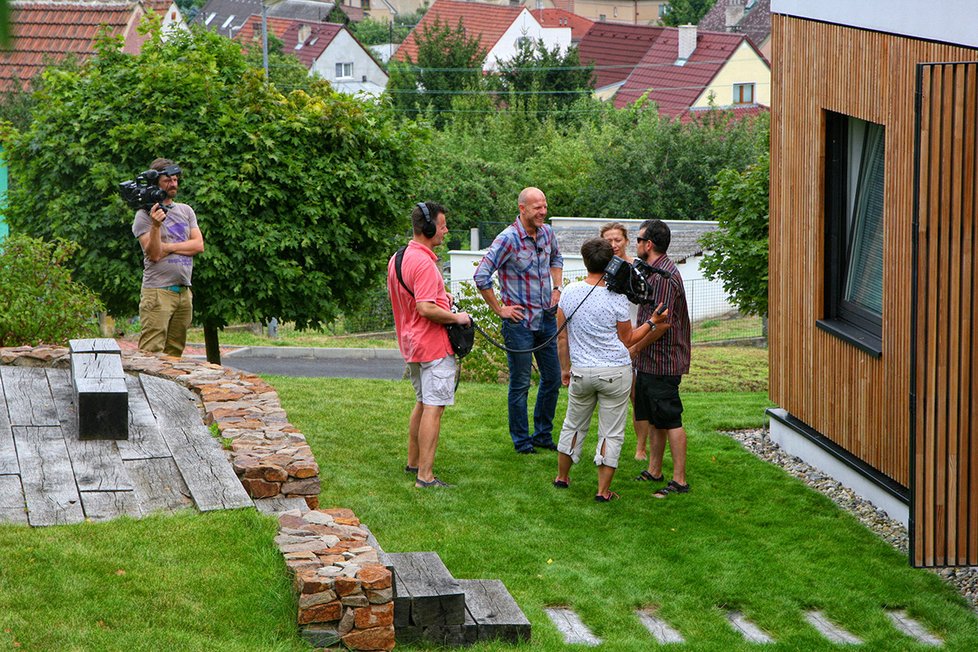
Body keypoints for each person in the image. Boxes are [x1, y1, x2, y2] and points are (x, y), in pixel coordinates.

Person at [552, 238, 669, 502]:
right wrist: (653, 322)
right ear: (611, 263)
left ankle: (562, 478)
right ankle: (603, 491)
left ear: (585, 261)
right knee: (611, 432)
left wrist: (565, 369)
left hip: (582, 370)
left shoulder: (569, 293)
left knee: (573, 425)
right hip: (615, 372)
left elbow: (562, 337)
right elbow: (628, 339)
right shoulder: (617, 298)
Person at [473, 187, 563, 454]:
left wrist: (557, 288)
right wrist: (500, 309)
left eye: (545, 206)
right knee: (521, 383)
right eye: (537, 207)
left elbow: (556, 258)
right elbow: (482, 276)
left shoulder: (547, 233)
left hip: (546, 318)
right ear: (522, 208)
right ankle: (522, 442)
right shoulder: (508, 239)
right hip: (520, 324)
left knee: (553, 378)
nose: (543, 212)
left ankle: (542, 435)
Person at [388, 201, 471, 489]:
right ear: (428, 227)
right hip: (433, 346)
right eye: (443, 224)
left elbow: (414, 298)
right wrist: (457, 317)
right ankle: (425, 476)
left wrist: (441, 294)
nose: (446, 230)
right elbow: (424, 307)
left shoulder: (400, 256)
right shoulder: (424, 262)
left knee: (423, 403)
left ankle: (413, 463)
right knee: (434, 408)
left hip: (411, 344)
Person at [630, 219, 692, 498]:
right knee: (656, 420)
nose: (636, 244)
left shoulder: (665, 277)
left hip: (663, 361)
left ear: (649, 244)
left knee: (670, 419)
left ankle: (679, 480)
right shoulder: (652, 272)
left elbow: (663, 324)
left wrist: (635, 346)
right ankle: (655, 470)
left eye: (639, 239)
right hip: (649, 361)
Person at [131, 158, 204, 357]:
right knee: (151, 353)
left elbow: (198, 245)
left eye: (175, 180)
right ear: (156, 183)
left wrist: (168, 247)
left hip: (183, 292)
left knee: (175, 353)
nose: (173, 184)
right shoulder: (144, 216)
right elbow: (154, 254)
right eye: (168, 181)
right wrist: (156, 226)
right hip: (158, 292)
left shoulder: (186, 210)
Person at [600, 222, 649, 462]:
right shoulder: (600, 271)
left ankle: (641, 446)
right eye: (608, 240)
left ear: (626, 241)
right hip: (609, 340)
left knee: (636, 395)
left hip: (635, 335)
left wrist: (637, 341)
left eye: (617, 239)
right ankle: (606, 445)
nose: (613, 244)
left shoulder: (637, 268)